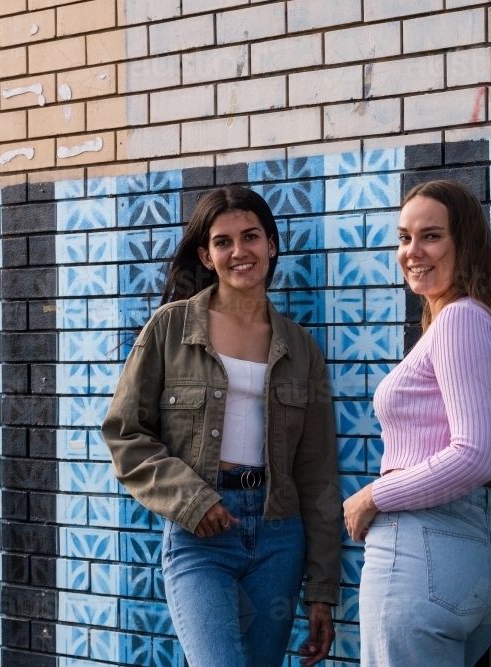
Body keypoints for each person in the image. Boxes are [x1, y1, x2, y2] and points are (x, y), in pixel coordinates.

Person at [102, 186, 341, 667]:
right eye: (223, 241)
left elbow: (317, 472)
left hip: (280, 535)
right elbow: (124, 433)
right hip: (200, 535)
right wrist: (192, 499)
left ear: (271, 245)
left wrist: (322, 590)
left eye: (251, 236)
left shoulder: (301, 348)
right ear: (206, 256)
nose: (239, 252)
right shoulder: (170, 329)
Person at [342, 180, 491, 666]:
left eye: (431, 236)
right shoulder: (477, 320)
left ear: (464, 242)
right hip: (472, 560)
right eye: (404, 237)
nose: (412, 251)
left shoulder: (460, 321)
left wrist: (373, 496)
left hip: (421, 556)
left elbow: (475, 454)